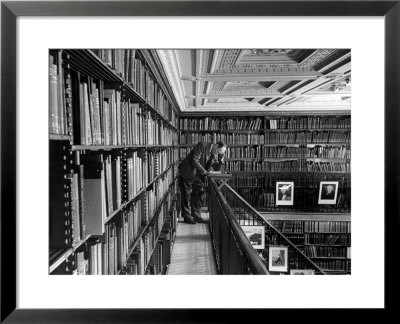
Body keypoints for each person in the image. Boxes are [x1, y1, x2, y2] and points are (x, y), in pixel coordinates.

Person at [178, 141, 227, 224]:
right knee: (187, 195)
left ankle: (196, 215)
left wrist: (221, 160)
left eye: (220, 153)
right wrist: (205, 172)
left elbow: (216, 168)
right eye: (218, 151)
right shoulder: (202, 145)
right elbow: (194, 160)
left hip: (198, 174)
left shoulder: (215, 153)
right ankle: (187, 217)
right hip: (188, 172)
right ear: (216, 146)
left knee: (201, 192)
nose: (218, 153)